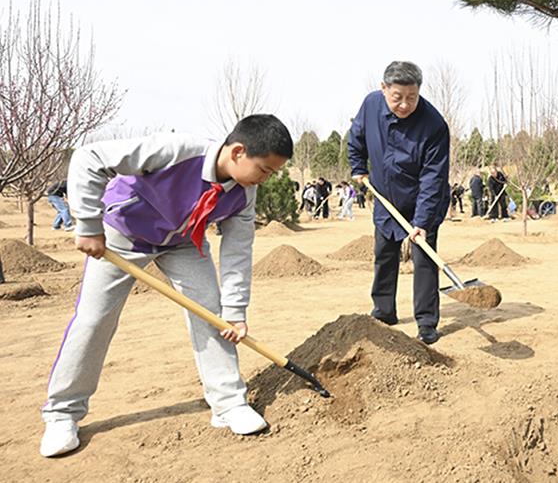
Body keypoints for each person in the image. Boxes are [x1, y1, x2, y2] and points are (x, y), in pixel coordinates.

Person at [39, 114, 293, 458]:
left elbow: (237, 253)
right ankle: (62, 415)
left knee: (212, 315)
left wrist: (234, 312)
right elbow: (90, 157)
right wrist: (87, 223)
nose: (265, 180)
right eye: (264, 170)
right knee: (94, 319)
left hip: (183, 243)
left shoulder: (244, 195)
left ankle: (229, 404)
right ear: (237, 152)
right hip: (123, 234)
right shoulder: (176, 150)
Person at [348, 61, 450, 346]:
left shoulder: (434, 124)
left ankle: (427, 323)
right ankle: (384, 312)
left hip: (423, 198)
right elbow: (355, 137)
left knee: (425, 259)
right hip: (386, 197)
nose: (405, 104)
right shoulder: (370, 105)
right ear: (384, 89)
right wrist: (358, 167)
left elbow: (434, 177)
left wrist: (422, 222)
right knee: (384, 254)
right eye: (398, 97)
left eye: (412, 97)